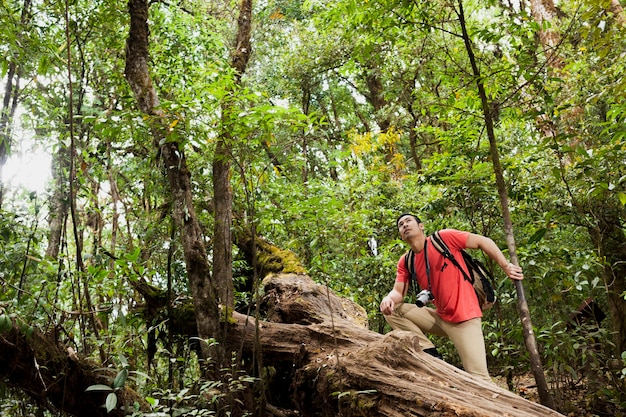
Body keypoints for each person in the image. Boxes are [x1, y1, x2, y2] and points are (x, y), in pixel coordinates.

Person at [379, 213, 524, 380]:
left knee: (480, 379)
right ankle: (428, 351)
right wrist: (388, 299)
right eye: (401, 224)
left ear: (421, 226)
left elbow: (482, 241)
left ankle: (500, 405)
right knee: (393, 310)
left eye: (408, 221)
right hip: (440, 318)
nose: (404, 225)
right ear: (401, 235)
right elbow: (398, 292)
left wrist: (506, 266)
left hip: (465, 318)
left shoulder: (443, 239)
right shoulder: (406, 261)